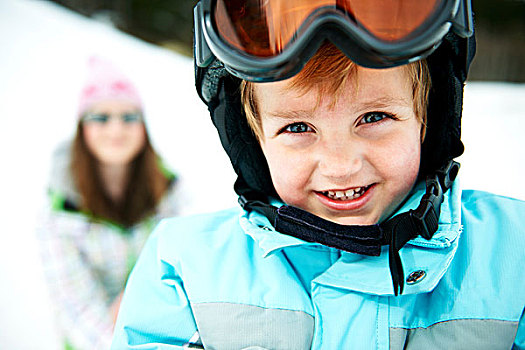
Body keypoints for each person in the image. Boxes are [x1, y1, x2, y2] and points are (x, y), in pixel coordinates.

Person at [112, 1, 525, 348]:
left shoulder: (513, 254)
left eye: (374, 117)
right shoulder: (184, 269)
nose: (340, 165)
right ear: (254, 141)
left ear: (427, 120)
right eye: (297, 128)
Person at [38, 56, 182, 350]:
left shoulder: (170, 191)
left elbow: (182, 268)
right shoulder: (60, 213)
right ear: (82, 128)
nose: (116, 130)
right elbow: (75, 309)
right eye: (101, 117)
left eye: (129, 117)